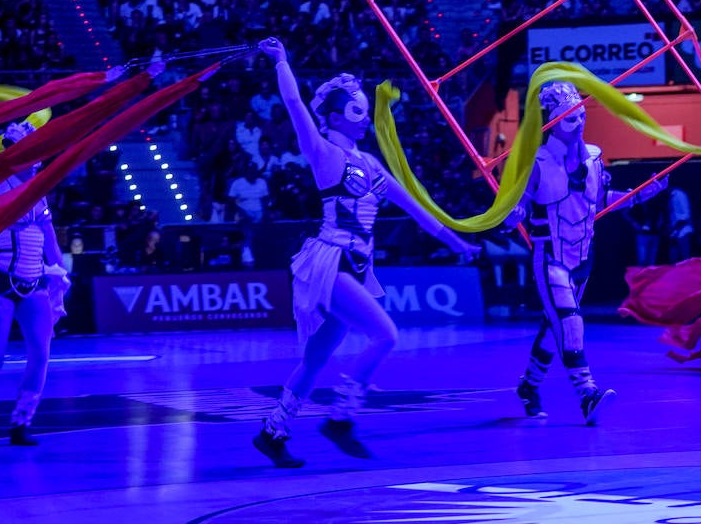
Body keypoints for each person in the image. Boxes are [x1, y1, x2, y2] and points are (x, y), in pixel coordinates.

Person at [252, 38, 480, 468]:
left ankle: (273, 429)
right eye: (355, 111)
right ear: (336, 116)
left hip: (356, 265)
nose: (364, 119)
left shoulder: (372, 164)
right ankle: (340, 418)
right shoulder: (323, 152)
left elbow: (418, 210)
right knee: (385, 334)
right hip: (333, 259)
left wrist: (458, 243)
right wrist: (283, 60)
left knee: (317, 357)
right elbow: (294, 101)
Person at [508, 80, 666, 424]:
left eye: (579, 113)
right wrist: (511, 216)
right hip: (550, 256)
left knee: (555, 327)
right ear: (549, 119)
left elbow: (600, 201)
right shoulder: (535, 163)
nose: (577, 121)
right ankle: (586, 394)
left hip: (583, 256)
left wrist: (640, 194)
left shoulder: (593, 158)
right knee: (570, 322)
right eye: (568, 115)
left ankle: (529, 387)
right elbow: (512, 211)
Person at [0, 93, 68, 446]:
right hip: (0, 281)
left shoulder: (39, 194)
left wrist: (61, 267)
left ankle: (21, 422)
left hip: (34, 283)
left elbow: (49, 237)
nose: (36, 160)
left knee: (41, 353)